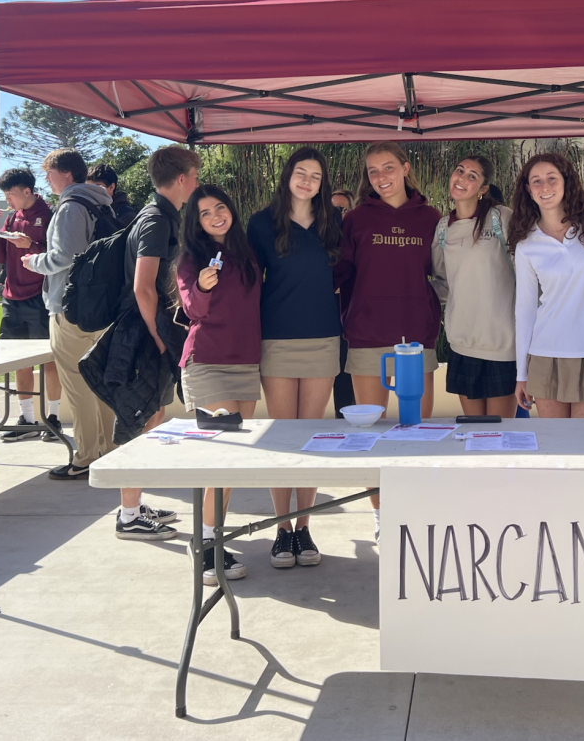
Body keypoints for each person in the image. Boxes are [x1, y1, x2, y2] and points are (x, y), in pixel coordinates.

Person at [335, 142, 441, 539]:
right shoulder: (356, 220)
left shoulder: (431, 218)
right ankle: (383, 518)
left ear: (406, 168)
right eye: (373, 171)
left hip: (416, 338)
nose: (382, 177)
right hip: (367, 336)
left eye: (389, 167)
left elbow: (444, 274)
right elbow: (338, 273)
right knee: (371, 435)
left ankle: (414, 513)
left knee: (418, 431)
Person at [247, 148, 341, 568]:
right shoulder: (260, 223)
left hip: (323, 337)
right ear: (287, 176)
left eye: (315, 176)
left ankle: (304, 527)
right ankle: (281, 529)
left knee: (311, 436)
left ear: (322, 183)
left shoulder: (334, 221)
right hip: (278, 339)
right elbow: (247, 281)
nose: (307, 181)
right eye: (301, 172)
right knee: (282, 436)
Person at [108, 145, 202, 540]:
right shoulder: (157, 221)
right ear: (181, 179)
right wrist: (159, 338)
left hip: (147, 332)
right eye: (195, 177)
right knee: (140, 418)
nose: (197, 183)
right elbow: (143, 287)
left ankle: (134, 505)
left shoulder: (159, 215)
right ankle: (129, 515)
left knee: (154, 415)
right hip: (144, 334)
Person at [177, 184, 261, 582]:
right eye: (205, 213)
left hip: (245, 362)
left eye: (220, 208)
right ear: (196, 222)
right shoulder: (191, 259)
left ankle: (212, 536)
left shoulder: (248, 252)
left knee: (234, 459)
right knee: (221, 457)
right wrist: (202, 286)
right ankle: (205, 543)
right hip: (207, 362)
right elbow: (191, 309)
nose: (215, 216)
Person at [20, 150, 120, 482]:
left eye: (49, 173)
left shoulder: (70, 206)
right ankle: (108, 449)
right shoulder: (101, 203)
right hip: (102, 308)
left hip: (71, 308)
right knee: (102, 383)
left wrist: (34, 262)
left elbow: (66, 256)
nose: (46, 180)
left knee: (78, 386)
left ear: (65, 173)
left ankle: (86, 456)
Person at [508, 153, 584, 419]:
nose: (544, 187)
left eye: (552, 178)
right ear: (528, 190)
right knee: (554, 442)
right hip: (545, 355)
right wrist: (522, 374)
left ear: (566, 181)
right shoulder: (526, 243)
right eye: (536, 181)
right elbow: (525, 312)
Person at [431, 155, 517, 418]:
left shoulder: (501, 218)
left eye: (472, 176)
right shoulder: (443, 227)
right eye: (460, 171)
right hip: (462, 344)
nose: (462, 178)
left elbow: (527, 274)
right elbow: (443, 283)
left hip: (502, 345)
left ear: (483, 188)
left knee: (499, 432)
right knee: (473, 431)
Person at [0, 167, 62, 441]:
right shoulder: (11, 217)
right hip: (12, 297)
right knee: (18, 360)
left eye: (11, 194)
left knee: (49, 360)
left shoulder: (50, 214)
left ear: (27, 191)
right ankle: (28, 419)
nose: (7, 200)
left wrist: (31, 246)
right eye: (5, 195)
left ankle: (54, 418)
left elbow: (59, 256)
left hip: (40, 297)